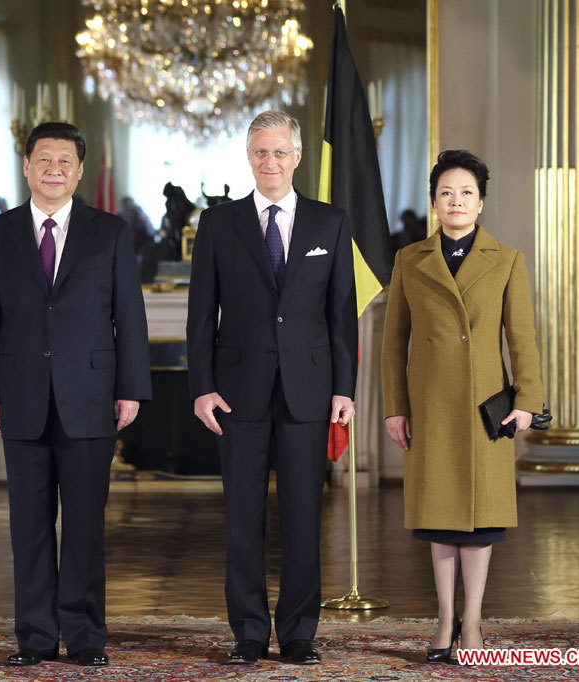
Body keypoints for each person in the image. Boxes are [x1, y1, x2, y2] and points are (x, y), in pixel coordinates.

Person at [0, 122, 151, 668]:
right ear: (26, 167)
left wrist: (131, 388)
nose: (53, 169)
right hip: (19, 396)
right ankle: (35, 638)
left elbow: (130, 317)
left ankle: (87, 637)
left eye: (64, 161)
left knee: (85, 527)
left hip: (92, 398)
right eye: (43, 159)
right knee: (28, 526)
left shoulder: (110, 231)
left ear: (79, 171)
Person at [186, 110, 358, 665]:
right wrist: (202, 387)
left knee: (305, 518)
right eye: (261, 152)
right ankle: (249, 634)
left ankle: (300, 632)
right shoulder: (218, 224)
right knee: (242, 518)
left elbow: (341, 317)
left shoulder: (329, 223)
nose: (271, 162)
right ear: (248, 156)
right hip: (237, 394)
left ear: (298, 157)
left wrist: (344, 388)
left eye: (280, 152)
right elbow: (199, 315)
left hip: (310, 392)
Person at [381, 149, 544, 662]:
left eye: (466, 193)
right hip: (430, 408)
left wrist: (528, 401)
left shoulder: (507, 260)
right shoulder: (409, 259)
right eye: (446, 193)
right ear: (434, 203)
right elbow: (393, 344)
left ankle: (471, 622)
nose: (456, 201)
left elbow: (522, 338)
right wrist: (394, 407)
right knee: (440, 520)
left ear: (481, 204)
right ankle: (444, 619)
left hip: (483, 409)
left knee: (478, 523)